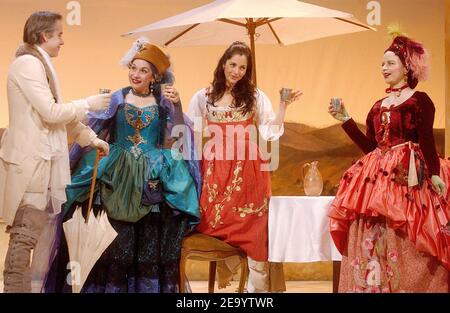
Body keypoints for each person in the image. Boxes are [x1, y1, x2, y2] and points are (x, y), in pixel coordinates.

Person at [48, 38, 201, 293]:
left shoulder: (163, 102)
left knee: (146, 238)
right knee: (111, 239)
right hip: (116, 174)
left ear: (155, 76)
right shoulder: (117, 97)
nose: (135, 74)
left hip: (149, 175)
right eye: (133, 67)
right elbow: (96, 129)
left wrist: (177, 105)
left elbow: (178, 135)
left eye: (143, 70)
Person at [328, 32, 450, 292]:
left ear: (407, 67)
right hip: (377, 175)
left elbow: (426, 139)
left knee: (408, 230)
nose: (383, 68)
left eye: (390, 63)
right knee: (375, 227)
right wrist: (346, 119)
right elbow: (370, 147)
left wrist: (435, 173)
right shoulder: (377, 106)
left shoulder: (420, 101)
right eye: (382, 64)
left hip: (409, 174)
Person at [0, 11, 111, 293]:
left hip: (42, 165)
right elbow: (51, 113)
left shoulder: (41, 64)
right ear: (44, 36)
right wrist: (88, 103)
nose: (63, 41)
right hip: (30, 165)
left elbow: (59, 115)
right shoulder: (28, 64)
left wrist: (90, 138)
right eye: (59, 35)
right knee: (23, 238)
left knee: (32, 238)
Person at [188, 41, 302, 292]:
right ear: (223, 63)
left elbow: (271, 133)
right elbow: (192, 133)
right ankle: (229, 259)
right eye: (232, 64)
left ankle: (257, 290)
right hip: (216, 165)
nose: (236, 71)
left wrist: (283, 107)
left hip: (249, 167)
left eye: (242, 67)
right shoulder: (203, 96)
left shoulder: (255, 96)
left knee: (253, 228)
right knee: (212, 221)